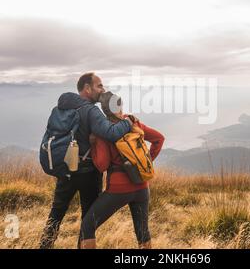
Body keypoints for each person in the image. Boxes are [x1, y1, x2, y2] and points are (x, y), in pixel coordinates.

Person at [39, 73, 135, 249]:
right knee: (88, 220)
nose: (103, 89)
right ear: (87, 88)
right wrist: (128, 121)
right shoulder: (91, 110)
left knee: (56, 213)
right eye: (99, 86)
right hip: (88, 173)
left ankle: (44, 246)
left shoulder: (63, 106)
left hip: (66, 168)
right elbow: (112, 133)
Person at [79, 91, 165, 249]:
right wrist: (144, 163)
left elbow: (102, 165)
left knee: (87, 226)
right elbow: (159, 139)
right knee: (143, 232)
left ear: (104, 110)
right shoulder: (134, 122)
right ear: (120, 105)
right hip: (142, 187)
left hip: (118, 190)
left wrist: (93, 145)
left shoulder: (104, 131)